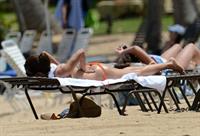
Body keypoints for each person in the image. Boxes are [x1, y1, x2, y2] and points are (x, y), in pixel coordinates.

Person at [24, 49, 184, 80]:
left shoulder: (59, 72)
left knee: (138, 72)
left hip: (98, 73)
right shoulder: (56, 68)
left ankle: (168, 64)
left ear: (39, 72)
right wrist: (65, 65)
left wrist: (82, 68)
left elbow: (81, 52)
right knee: (135, 70)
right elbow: (44, 54)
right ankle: (165, 65)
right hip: (98, 71)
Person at [115, 43, 200, 70]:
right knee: (191, 46)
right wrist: (123, 51)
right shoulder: (147, 61)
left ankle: (193, 65)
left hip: (162, 60)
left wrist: (125, 50)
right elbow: (135, 48)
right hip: (171, 67)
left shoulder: (144, 61)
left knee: (177, 46)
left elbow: (134, 49)